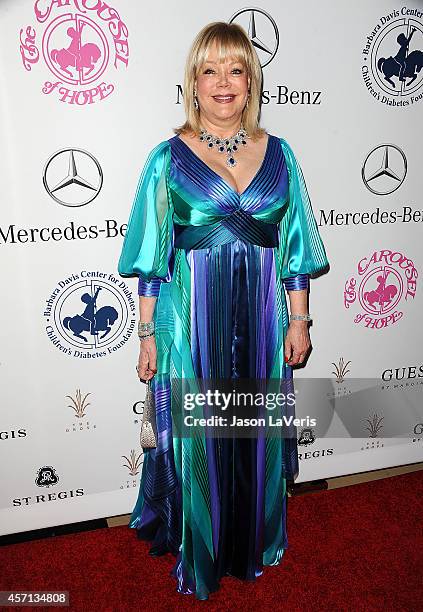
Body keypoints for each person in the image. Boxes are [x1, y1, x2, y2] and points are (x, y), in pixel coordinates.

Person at [118, 22, 329, 601]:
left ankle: (256, 540)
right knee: (200, 435)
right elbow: (152, 256)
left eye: (235, 69)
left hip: (263, 321)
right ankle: (202, 549)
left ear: (250, 80)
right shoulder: (167, 157)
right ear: (193, 82)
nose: (223, 83)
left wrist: (300, 320)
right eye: (209, 70)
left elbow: (296, 248)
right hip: (190, 319)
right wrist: (146, 334)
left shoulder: (280, 154)